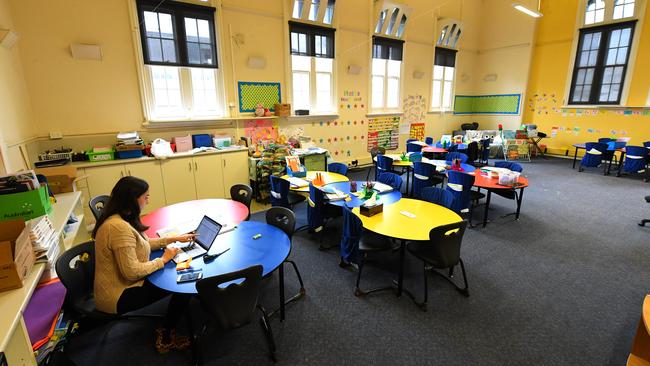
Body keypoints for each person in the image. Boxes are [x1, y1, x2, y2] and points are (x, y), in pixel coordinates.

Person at [92, 176, 192, 354]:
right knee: (181, 283)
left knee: (171, 272)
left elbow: (143, 244)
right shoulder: (117, 228)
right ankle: (167, 338)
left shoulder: (121, 217)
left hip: (122, 284)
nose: (148, 200)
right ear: (132, 199)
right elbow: (131, 272)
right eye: (145, 196)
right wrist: (163, 259)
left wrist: (174, 238)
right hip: (117, 295)